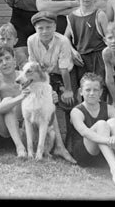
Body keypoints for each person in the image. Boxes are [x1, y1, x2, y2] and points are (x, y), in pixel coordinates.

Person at [25, 11, 77, 163]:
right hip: (43, 76)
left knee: (67, 104)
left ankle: (68, 146)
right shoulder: (31, 40)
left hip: (64, 75)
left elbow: (64, 69)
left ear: (55, 26)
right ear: (35, 28)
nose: (45, 31)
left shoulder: (62, 41)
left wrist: (67, 90)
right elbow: (34, 66)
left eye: (49, 27)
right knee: (47, 105)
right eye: (40, 28)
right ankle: (56, 146)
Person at [68, 72, 115, 184]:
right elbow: (85, 133)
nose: (92, 93)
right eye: (88, 90)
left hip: (103, 154)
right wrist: (112, 141)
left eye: (95, 90)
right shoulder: (77, 111)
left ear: (100, 92)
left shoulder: (108, 108)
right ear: (81, 92)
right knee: (101, 124)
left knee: (114, 122)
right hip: (84, 153)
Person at [0, 44, 29, 156]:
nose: (5, 63)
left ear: (14, 60)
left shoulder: (24, 76)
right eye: (0, 61)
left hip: (25, 121)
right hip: (3, 125)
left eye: (7, 58)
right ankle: (20, 148)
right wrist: (19, 98)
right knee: (7, 101)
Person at [67, 0, 109, 85]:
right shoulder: (72, 16)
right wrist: (72, 51)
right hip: (81, 60)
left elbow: (109, 39)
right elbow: (66, 38)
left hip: (98, 59)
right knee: (84, 92)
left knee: (99, 91)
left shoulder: (99, 15)